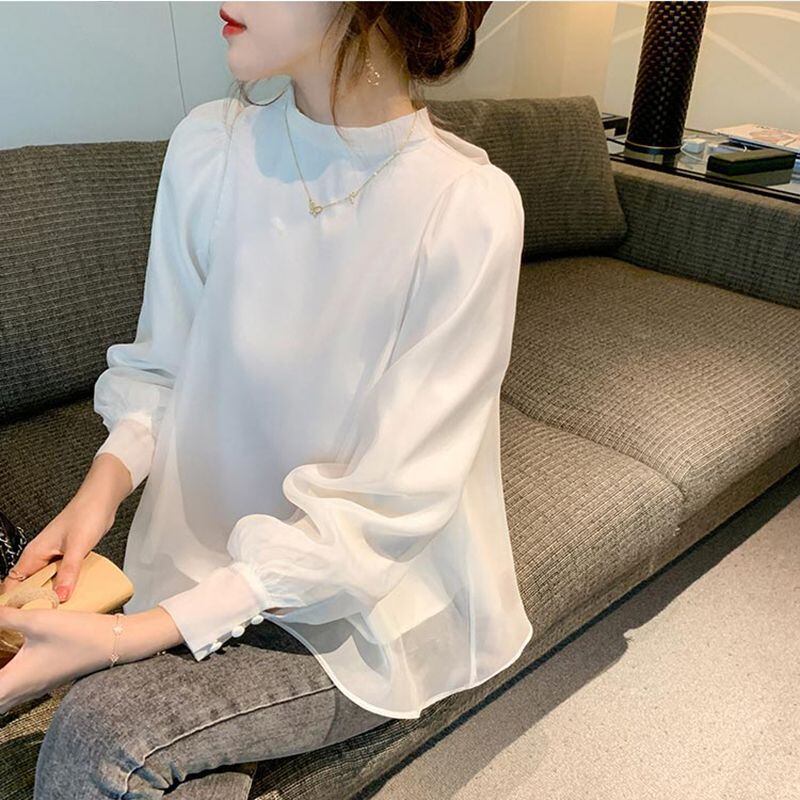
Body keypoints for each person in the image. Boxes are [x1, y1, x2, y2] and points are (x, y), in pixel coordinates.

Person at [0, 2, 533, 797]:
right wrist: (97, 497)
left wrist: (125, 641)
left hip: (357, 606)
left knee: (100, 730)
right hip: (191, 560)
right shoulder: (209, 148)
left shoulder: (467, 211)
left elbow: (385, 511)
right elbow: (163, 366)